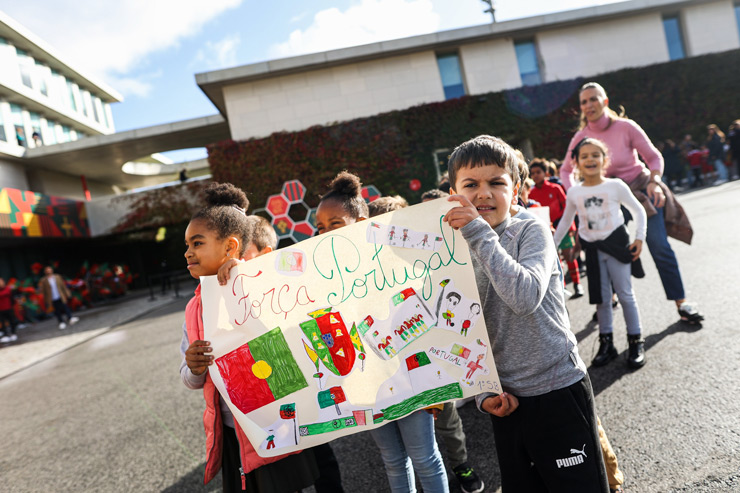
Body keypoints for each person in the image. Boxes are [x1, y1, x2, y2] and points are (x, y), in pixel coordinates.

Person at [444, 134, 608, 492]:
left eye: (496, 183)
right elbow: (458, 329)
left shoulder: (530, 229)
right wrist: (481, 393)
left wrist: (477, 232)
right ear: (452, 191)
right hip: (507, 401)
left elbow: (524, 296)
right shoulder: (449, 250)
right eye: (470, 184)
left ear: (516, 188)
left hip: (557, 389)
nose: (483, 193)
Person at [180, 182, 319, 492]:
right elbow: (189, 380)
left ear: (230, 247)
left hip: (277, 426)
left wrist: (243, 281)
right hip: (231, 434)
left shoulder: (262, 287)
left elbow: (283, 344)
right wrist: (194, 367)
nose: (188, 252)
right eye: (187, 244)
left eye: (197, 243)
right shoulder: (194, 309)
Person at [317, 170, 449, 493]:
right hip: (366, 379)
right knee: (392, 458)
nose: (325, 233)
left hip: (408, 373)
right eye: (320, 227)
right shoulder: (322, 271)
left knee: (424, 456)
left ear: (361, 219)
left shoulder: (392, 255)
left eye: (335, 224)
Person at [368, 188, 484, 493]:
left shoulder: (421, 266)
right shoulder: (366, 275)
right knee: (400, 456)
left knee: (441, 430)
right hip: (387, 378)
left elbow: (440, 319)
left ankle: (460, 463)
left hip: (424, 373)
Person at [561, 82, 703, 325]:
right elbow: (565, 170)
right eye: (584, 102)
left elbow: (653, 156)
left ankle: (682, 302)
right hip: (606, 197)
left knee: (659, 245)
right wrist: (578, 194)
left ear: (605, 102)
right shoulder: (581, 137)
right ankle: (610, 297)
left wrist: (655, 181)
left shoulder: (626, 127)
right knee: (606, 246)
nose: (589, 105)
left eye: (593, 99)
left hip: (639, 190)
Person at [554, 138, 648, 369]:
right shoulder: (574, 192)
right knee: (602, 299)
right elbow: (566, 222)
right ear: (576, 163)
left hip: (617, 246)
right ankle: (607, 343)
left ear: (605, 159)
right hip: (593, 250)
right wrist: (550, 247)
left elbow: (639, 210)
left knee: (625, 295)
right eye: (584, 156)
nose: (590, 159)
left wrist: (640, 237)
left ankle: (635, 340)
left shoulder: (615, 186)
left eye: (595, 155)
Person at [529, 158, 584, 299]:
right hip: (545, 229)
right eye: (532, 173)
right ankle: (562, 286)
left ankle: (577, 284)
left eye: (538, 172)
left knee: (569, 256)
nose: (535, 175)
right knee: (555, 259)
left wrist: (571, 227)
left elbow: (568, 208)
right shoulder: (531, 193)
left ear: (546, 173)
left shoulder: (555, 188)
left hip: (562, 226)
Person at [0, 278, 18, 343]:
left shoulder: (8, 288)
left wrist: (12, 305)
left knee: (12, 321)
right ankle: (5, 335)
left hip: (9, 308)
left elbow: (12, 297)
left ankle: (13, 333)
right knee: (2, 323)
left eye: (1, 281)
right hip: (1, 310)